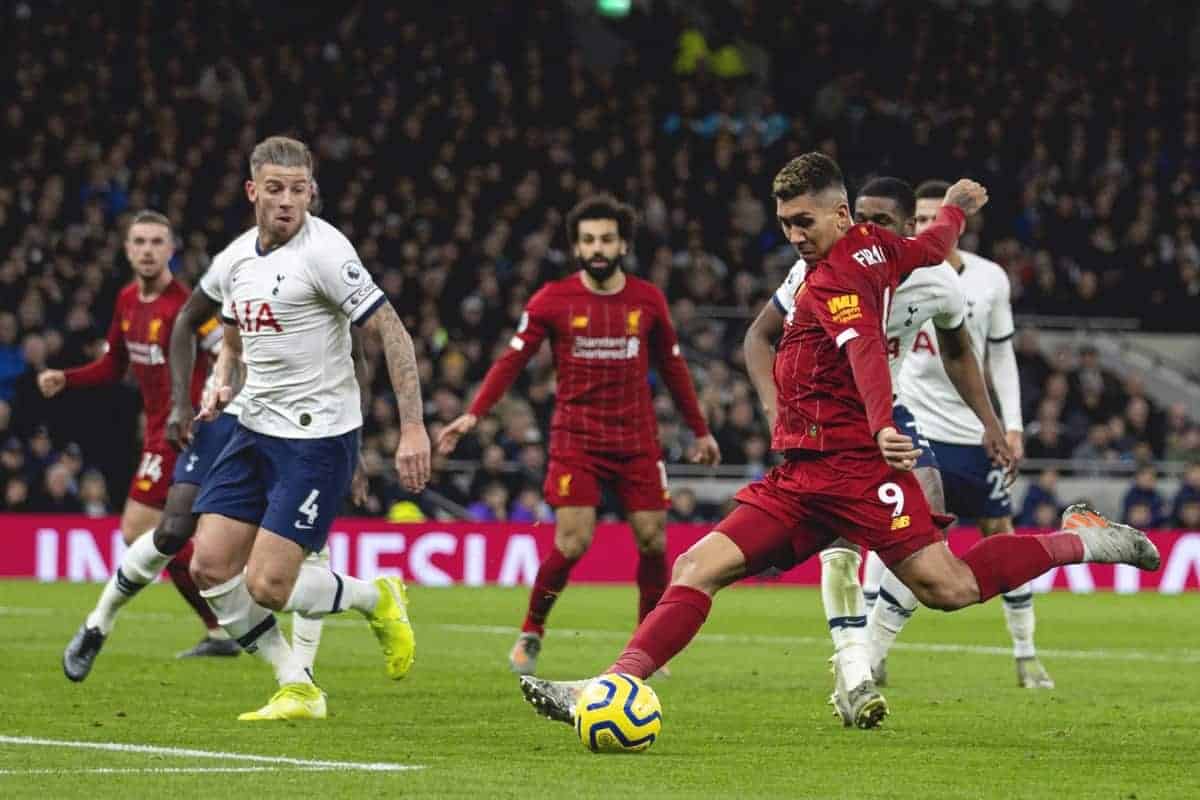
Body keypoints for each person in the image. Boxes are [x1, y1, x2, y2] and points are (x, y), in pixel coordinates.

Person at [518, 153, 1159, 732]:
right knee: (696, 567)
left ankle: (1086, 538)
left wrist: (882, 423)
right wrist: (957, 211)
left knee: (952, 588)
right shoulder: (877, 248)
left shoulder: (836, 280)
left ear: (841, 213)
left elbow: (865, 352)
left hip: (856, 470)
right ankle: (614, 682)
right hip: (799, 475)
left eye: (805, 222)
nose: (795, 236)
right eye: (786, 224)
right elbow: (932, 246)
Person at [744, 175, 1012, 724]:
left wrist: (992, 423)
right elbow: (756, 337)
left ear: (906, 228)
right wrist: (775, 408)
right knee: (837, 536)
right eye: (860, 216)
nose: (867, 229)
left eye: (881, 220)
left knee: (930, 505)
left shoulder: (935, 282)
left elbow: (960, 352)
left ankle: (870, 652)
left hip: (887, 415)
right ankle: (853, 669)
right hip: (825, 424)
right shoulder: (814, 272)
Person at [186, 135, 430, 721]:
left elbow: (391, 332)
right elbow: (235, 334)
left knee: (267, 584)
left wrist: (413, 427)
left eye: (299, 190)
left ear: (311, 192)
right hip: (253, 428)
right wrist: (222, 380)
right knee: (209, 569)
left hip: (316, 439)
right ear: (253, 192)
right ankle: (297, 685)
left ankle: (377, 597)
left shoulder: (326, 252)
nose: (288, 201)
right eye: (275, 189)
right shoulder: (237, 260)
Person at [437, 194, 721, 676]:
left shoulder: (647, 299)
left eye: (607, 238)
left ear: (623, 244)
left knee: (653, 540)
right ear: (575, 247)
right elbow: (513, 359)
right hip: (577, 439)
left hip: (637, 440)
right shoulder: (552, 299)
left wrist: (700, 430)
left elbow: (673, 368)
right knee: (572, 542)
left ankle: (646, 642)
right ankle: (532, 628)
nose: (597, 247)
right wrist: (474, 414)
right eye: (588, 239)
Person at [867, 179, 1052, 691]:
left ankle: (1025, 653)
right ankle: (872, 652)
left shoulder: (988, 280)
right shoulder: (883, 274)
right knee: (909, 538)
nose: (929, 228)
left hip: (973, 434)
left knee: (999, 533)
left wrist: (1008, 425)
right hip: (916, 427)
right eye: (921, 220)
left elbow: (998, 356)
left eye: (936, 218)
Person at [38, 209, 231, 657]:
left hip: (186, 432)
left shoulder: (188, 305)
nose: (147, 250)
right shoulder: (127, 301)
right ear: (127, 250)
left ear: (171, 249)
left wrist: (217, 402)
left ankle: (225, 608)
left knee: (138, 530)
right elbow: (113, 365)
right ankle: (220, 624)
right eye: (139, 242)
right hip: (157, 432)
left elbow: (226, 350)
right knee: (162, 535)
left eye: (156, 242)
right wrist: (67, 378)